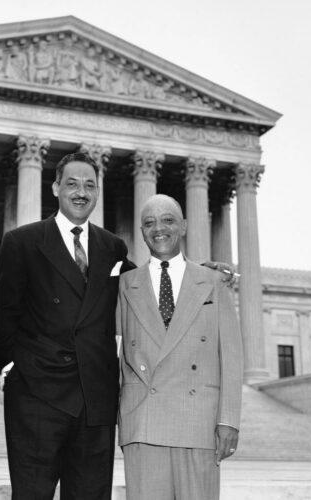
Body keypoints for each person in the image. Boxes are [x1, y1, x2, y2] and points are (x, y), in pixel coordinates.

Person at [0, 152, 135, 499]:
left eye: (90, 185)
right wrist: (18, 368)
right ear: (56, 187)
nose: (81, 192)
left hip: (94, 400)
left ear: (97, 193)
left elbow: (144, 285)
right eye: (72, 183)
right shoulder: (22, 241)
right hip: (37, 398)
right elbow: (4, 313)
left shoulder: (112, 247)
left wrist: (194, 270)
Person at [116, 194, 243, 500]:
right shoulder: (124, 284)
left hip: (199, 420)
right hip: (143, 422)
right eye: (149, 222)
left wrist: (228, 420)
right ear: (141, 230)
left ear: (184, 226)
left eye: (168, 220)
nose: (159, 228)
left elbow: (232, 355)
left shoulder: (213, 282)